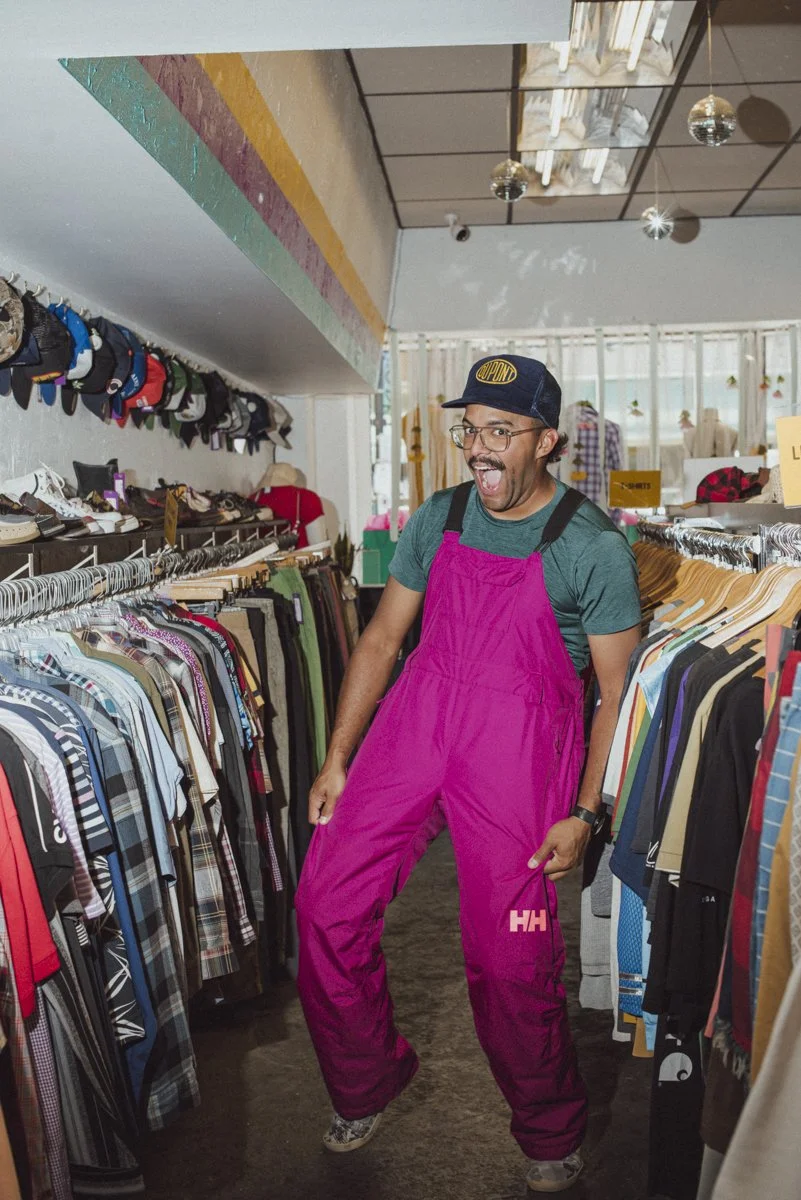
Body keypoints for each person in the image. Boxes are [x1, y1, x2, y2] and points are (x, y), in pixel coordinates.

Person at [295, 356, 641, 1193]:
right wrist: (338, 757)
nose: (478, 450)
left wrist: (586, 813)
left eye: (499, 432)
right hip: (419, 719)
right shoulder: (440, 516)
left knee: (511, 957)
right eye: (469, 430)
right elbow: (381, 639)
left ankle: (549, 1127)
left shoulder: (593, 548)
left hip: (519, 746)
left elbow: (613, 699)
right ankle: (367, 1078)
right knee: (322, 903)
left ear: (546, 440)